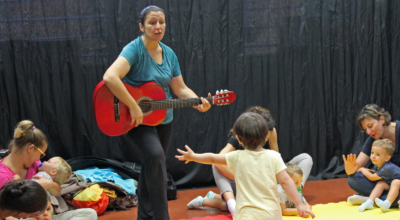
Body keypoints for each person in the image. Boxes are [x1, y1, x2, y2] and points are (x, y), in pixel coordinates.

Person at [102, 5, 211, 220]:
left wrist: (197, 100)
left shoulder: (169, 54)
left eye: (161, 22)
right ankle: (162, 217)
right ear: (142, 26)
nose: (158, 26)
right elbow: (110, 77)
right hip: (133, 119)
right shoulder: (134, 49)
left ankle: (145, 216)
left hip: (163, 118)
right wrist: (133, 105)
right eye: (152, 22)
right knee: (156, 158)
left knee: (152, 165)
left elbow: (179, 88)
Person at [176, 112, 315, 219]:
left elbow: (212, 158)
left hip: (245, 216)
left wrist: (193, 156)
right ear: (265, 136)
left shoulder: (236, 157)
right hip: (271, 215)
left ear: (238, 138)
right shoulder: (274, 156)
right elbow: (285, 181)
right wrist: (299, 204)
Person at [0, 120, 98, 220]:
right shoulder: (3, 176)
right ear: (30, 149)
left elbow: (57, 190)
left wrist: (49, 184)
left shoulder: (35, 165)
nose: (39, 159)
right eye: (40, 154)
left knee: (90, 213)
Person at [343, 104, 400, 207]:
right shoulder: (373, 139)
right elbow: (357, 167)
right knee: (354, 179)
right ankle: (387, 200)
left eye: (370, 126)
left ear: (382, 119)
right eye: (366, 129)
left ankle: (371, 199)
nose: (369, 132)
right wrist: (349, 169)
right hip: (387, 184)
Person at [357, 139, 400, 212]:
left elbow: (372, 177)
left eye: (378, 154)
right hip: (391, 186)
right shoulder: (378, 165)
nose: (373, 156)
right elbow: (378, 173)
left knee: (396, 182)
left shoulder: (387, 167)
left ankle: (387, 203)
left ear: (387, 158)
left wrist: (362, 169)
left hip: (397, 185)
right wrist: (371, 171)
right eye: (372, 153)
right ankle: (369, 202)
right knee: (381, 183)